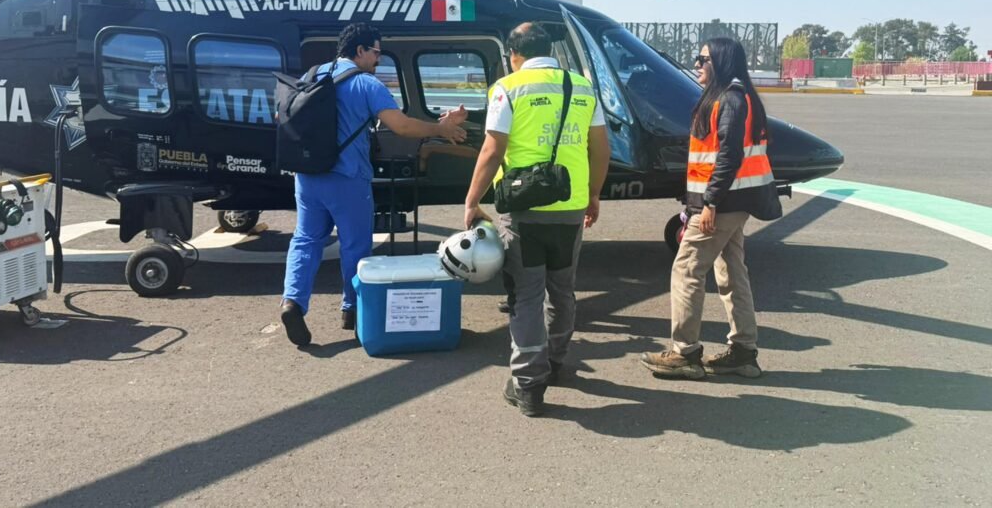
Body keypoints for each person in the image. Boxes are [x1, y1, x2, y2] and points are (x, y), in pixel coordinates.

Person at [281, 23, 468, 347]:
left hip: (307, 175)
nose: (378, 59)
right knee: (355, 245)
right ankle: (352, 310)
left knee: (306, 239)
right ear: (360, 51)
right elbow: (401, 126)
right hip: (347, 178)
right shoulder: (366, 83)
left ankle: (292, 302)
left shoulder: (312, 75)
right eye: (376, 52)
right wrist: (440, 128)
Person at [464, 22, 610, 416]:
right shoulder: (582, 87)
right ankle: (556, 362)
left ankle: (528, 385)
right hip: (571, 205)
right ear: (549, 49)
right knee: (562, 290)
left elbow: (493, 150)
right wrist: (593, 194)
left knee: (526, 295)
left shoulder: (507, 88)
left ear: (513, 54)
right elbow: (600, 148)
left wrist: (472, 201)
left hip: (523, 210)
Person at [640, 37, 781, 380]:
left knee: (686, 270)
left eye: (703, 59)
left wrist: (710, 203)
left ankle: (684, 353)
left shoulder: (730, 100)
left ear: (721, 62)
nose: (697, 64)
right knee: (731, 272)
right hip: (734, 202)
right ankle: (743, 351)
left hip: (722, 204)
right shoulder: (737, 97)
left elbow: (729, 157)